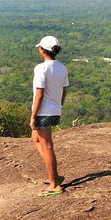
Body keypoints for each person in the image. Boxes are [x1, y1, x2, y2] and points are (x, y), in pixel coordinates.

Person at [30, 35, 69, 197]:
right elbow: (64, 89)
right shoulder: (62, 68)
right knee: (35, 139)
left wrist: (33, 116)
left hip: (43, 112)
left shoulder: (41, 68)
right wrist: (59, 107)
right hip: (54, 110)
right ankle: (54, 174)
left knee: (47, 147)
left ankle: (55, 184)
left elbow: (39, 94)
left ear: (42, 50)